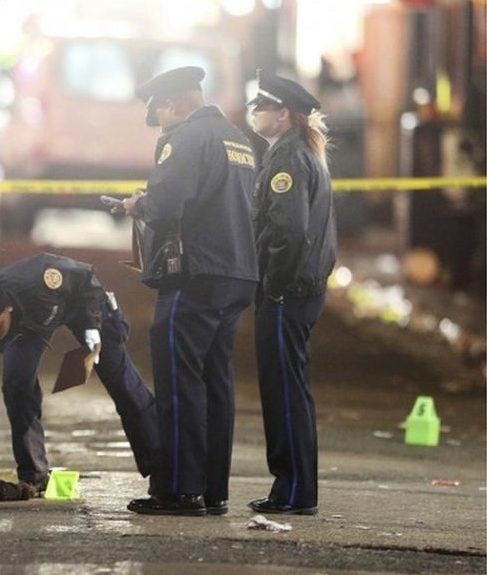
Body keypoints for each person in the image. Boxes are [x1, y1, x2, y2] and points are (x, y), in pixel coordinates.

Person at [119, 67, 259, 516]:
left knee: (180, 383)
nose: (159, 125)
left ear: (171, 104)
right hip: (236, 273)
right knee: (217, 383)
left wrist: (139, 204)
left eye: (157, 115)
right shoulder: (238, 139)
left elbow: (166, 204)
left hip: (193, 274)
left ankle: (179, 490)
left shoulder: (184, 138)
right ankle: (213, 490)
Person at [0, 254, 160, 494]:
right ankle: (34, 475)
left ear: (6, 306)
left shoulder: (39, 280)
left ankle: (162, 464)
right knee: (17, 384)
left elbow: (86, 278)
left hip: (84, 304)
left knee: (119, 377)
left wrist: (92, 324)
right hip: (30, 327)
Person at [247, 70, 336, 515]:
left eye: (260, 105)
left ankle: (295, 490)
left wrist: (273, 283)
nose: (253, 112)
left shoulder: (287, 158)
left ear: (283, 114)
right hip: (299, 288)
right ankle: (291, 487)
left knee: (284, 393)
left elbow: (288, 230)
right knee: (288, 390)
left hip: (288, 291)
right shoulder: (295, 152)